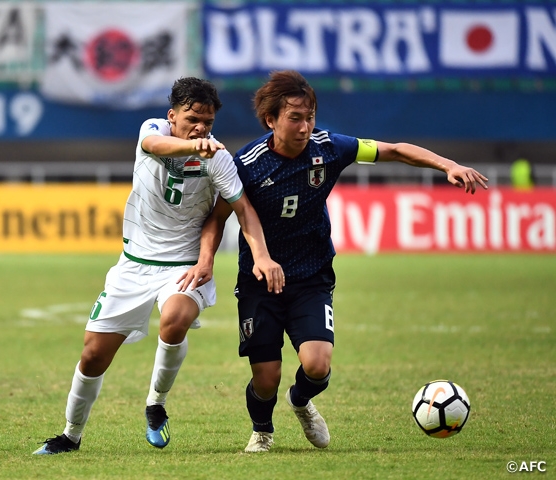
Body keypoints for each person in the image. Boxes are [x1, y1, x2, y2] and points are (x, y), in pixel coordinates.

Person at [182, 70, 489, 453]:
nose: (305, 126)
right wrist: (206, 259)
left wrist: (447, 165)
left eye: (310, 116)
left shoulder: (329, 147)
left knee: (317, 364)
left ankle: (300, 401)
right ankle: (263, 430)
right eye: (295, 118)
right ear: (271, 120)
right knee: (265, 377)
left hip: (311, 276)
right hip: (260, 280)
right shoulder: (248, 162)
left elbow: (392, 150)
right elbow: (218, 217)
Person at [33, 77, 284, 455]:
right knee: (93, 355)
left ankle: (155, 404)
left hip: (183, 264)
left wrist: (259, 255)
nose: (201, 128)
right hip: (134, 265)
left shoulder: (218, 158)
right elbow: (155, 145)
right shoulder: (152, 130)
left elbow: (242, 210)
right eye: (192, 119)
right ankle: (70, 435)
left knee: (175, 318)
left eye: (208, 123)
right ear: (173, 116)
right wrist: (191, 145)